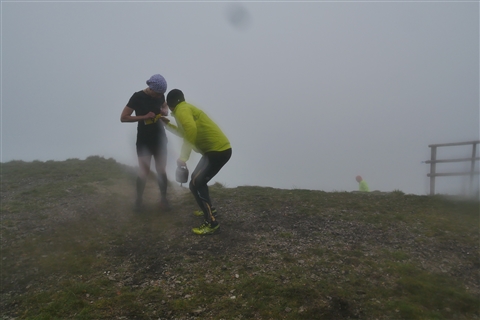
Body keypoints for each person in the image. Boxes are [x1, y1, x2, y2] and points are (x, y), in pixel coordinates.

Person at [162, 89, 232, 235]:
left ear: (170, 104)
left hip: (217, 151)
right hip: (214, 151)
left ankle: (211, 223)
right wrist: (167, 125)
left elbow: (191, 130)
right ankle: (209, 210)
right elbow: (186, 132)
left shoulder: (182, 111)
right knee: (197, 182)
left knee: (195, 183)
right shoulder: (185, 109)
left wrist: (183, 157)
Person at [120, 74, 170, 211]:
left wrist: (165, 111)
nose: (159, 96)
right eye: (157, 93)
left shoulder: (160, 95)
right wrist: (144, 117)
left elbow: (164, 105)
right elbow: (123, 117)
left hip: (160, 138)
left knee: (161, 170)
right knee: (144, 171)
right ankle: (139, 202)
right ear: (151, 88)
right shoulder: (137, 97)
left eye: (161, 94)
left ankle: (164, 200)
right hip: (144, 139)